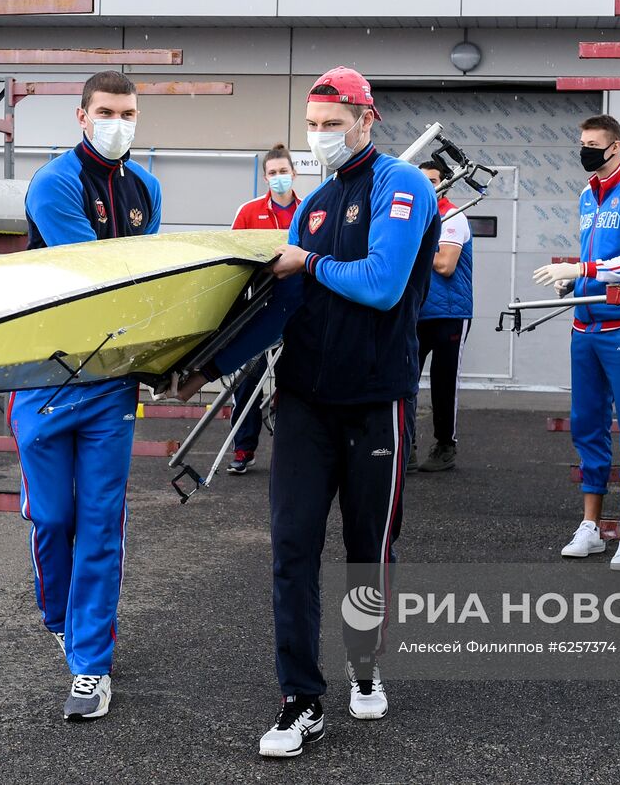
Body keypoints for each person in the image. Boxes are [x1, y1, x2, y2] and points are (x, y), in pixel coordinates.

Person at [172, 67, 438, 758]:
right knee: (291, 547)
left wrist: (309, 262)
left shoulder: (403, 187)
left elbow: (381, 285)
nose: (320, 135)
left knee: (365, 549)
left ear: (366, 121)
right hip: (304, 403)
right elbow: (278, 305)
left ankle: (366, 662)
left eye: (332, 123)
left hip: (377, 400)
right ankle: (299, 699)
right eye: (313, 123)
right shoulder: (313, 203)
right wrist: (203, 365)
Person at [7, 70, 162, 721]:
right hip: (45, 375)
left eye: (128, 112)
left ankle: (91, 665)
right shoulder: (55, 184)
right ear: (81, 115)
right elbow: (100, 277)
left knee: (101, 524)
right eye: (107, 111)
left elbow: (151, 280)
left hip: (112, 384)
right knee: (52, 519)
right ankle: (61, 614)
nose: (118, 123)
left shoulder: (148, 187)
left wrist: (155, 354)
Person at [533, 114, 620, 573]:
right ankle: (590, 527)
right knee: (586, 427)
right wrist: (577, 284)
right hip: (585, 325)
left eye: (592, 144)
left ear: (616, 147)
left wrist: (582, 271)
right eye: (581, 142)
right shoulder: (587, 193)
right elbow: (597, 256)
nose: (585, 150)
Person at [225, 145, 300, 475]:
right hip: (257, 307)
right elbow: (232, 257)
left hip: (298, 308)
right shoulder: (249, 212)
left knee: (296, 382)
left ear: (294, 173)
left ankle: (292, 452)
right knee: (247, 379)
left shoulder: (309, 210)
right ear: (265, 176)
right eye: (273, 173)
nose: (279, 178)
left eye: (284, 172)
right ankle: (244, 448)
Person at [410, 160, 474, 474]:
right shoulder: (414, 215)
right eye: (423, 181)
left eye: (434, 180)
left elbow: (445, 265)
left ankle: (445, 445)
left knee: (443, 383)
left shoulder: (453, 216)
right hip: (415, 313)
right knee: (404, 380)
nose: (429, 186)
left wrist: (409, 245)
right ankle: (405, 446)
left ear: (446, 182)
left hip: (450, 314)